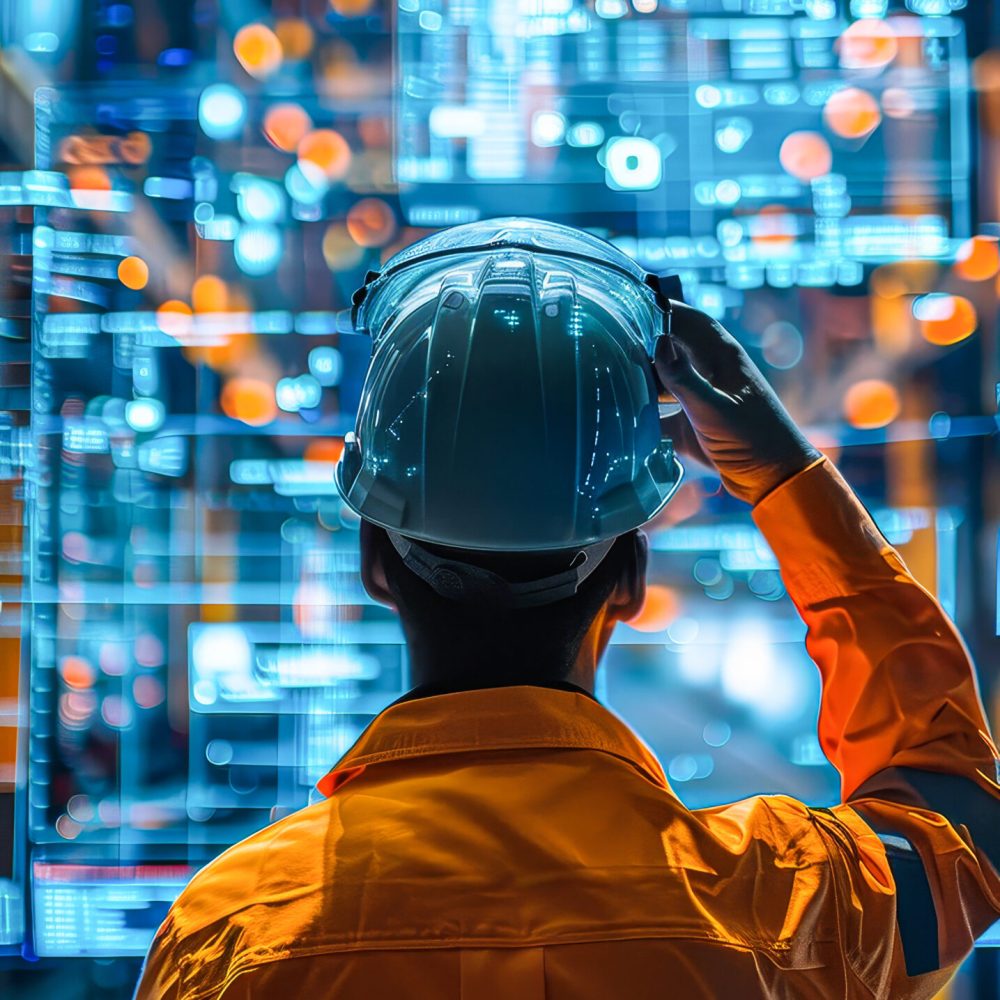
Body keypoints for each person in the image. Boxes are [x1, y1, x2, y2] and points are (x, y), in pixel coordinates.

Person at [136, 220, 999, 999]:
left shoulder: (229, 936)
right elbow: (961, 823)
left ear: (375, 564)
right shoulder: (780, 906)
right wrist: (782, 474)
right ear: (628, 576)